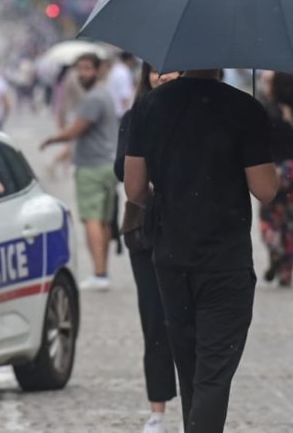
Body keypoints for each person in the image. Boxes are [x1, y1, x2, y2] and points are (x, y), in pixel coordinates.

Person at [123, 68, 278, 432]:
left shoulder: (148, 107)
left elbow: (134, 190)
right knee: (214, 373)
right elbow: (265, 190)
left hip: (171, 255)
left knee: (190, 369)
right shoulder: (244, 108)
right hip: (225, 259)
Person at [115, 63, 180, 433]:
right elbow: (120, 170)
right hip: (145, 230)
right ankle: (158, 409)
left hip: (189, 228)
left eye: (175, 71)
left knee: (187, 322)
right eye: (158, 70)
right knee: (155, 320)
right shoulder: (136, 115)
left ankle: (196, 404)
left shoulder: (197, 116)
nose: (165, 76)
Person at [41, 53, 120, 291]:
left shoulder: (94, 98)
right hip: (107, 163)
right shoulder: (103, 94)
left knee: (93, 219)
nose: (82, 73)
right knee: (104, 220)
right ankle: (102, 271)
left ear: (98, 71)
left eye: (87, 68)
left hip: (92, 167)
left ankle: (99, 273)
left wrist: (51, 139)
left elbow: (75, 130)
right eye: (79, 69)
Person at [258, 71, 293, 287]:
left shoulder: (264, 110)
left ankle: (274, 245)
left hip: (273, 171)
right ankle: (286, 273)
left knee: (269, 216)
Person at [108, 51, 138, 115]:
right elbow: (125, 95)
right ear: (130, 59)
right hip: (121, 112)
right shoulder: (125, 72)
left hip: (114, 109)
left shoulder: (115, 69)